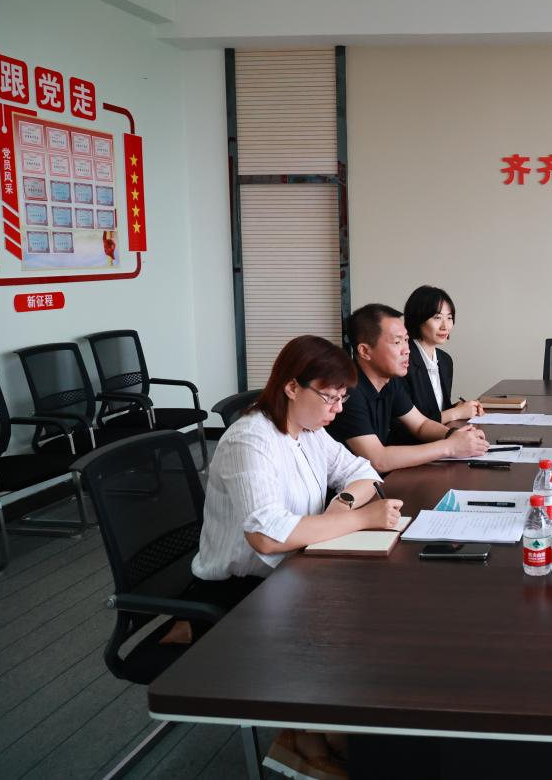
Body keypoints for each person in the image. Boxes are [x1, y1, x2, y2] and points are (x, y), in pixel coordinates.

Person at [190, 335, 405, 780]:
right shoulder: (250, 440)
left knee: (380, 600)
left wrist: (343, 504)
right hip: (242, 589)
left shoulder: (309, 432)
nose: (337, 410)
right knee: (355, 618)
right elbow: (266, 536)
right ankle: (301, 734)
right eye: (330, 397)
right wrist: (361, 519)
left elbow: (363, 472)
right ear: (291, 387)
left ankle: (324, 727)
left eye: (343, 398)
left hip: (297, 564)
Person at [328, 303, 488, 471]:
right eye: (397, 342)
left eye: (406, 340)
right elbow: (377, 460)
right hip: (349, 485)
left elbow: (421, 425)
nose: (407, 350)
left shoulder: (389, 381)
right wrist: (450, 447)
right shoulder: (346, 391)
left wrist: (455, 434)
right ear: (365, 351)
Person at [393, 285, 482, 445]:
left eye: (449, 318)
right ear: (418, 319)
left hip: (441, 441)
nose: (445, 326)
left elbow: (435, 411)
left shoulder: (445, 360)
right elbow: (406, 425)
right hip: (413, 447)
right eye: (437, 317)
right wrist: (456, 413)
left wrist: (461, 408)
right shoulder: (403, 361)